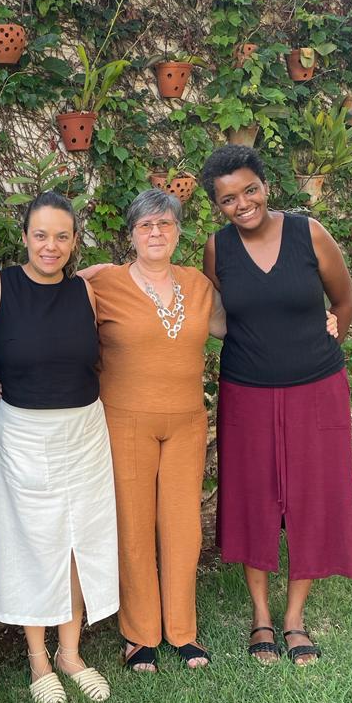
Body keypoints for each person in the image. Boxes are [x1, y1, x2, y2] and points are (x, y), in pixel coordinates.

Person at [201, 145, 352, 665]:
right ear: (217, 205)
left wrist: (330, 339)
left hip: (317, 390)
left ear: (265, 185)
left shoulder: (308, 233)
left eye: (250, 190)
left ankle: (294, 618)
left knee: (313, 497)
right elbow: (223, 315)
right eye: (228, 198)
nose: (242, 203)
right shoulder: (216, 250)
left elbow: (344, 299)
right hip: (247, 392)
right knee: (252, 498)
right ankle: (261, 616)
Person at [0, 192, 118, 703]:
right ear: (24, 237)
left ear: (75, 241)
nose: (51, 245)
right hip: (23, 434)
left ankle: (70, 652)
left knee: (81, 541)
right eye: (41, 234)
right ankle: (38, 657)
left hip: (85, 431)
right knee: (32, 545)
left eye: (62, 236)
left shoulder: (87, 290)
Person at [84, 189, 225, 674]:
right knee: (135, 525)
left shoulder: (199, 285)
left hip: (187, 421)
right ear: (131, 235)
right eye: (146, 226)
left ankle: (183, 631)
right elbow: (51, 296)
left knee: (183, 527)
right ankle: (140, 634)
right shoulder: (103, 282)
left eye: (165, 224)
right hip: (124, 420)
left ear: (178, 231)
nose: (156, 233)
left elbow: (243, 323)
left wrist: (320, 318)